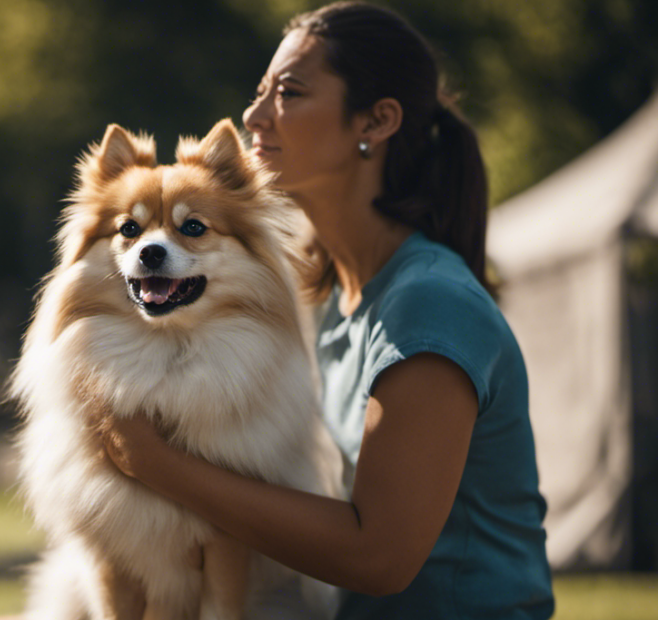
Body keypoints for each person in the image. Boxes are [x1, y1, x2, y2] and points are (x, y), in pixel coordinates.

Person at [96, 2, 554, 619]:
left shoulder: (428, 305)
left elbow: (379, 559)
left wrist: (154, 463)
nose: (255, 116)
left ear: (377, 121)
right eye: (259, 91)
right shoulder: (335, 288)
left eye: (288, 92)